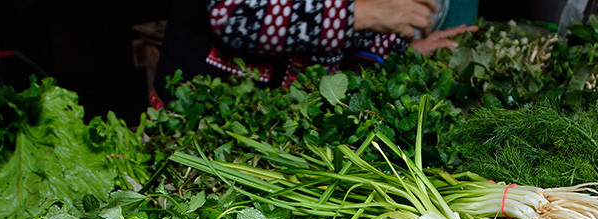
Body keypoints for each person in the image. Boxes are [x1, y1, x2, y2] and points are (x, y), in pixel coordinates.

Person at [150, 0, 476, 107]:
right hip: (204, 108)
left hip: (284, 118)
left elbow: (340, 25)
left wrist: (402, 48)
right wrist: (360, 13)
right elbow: (237, 16)